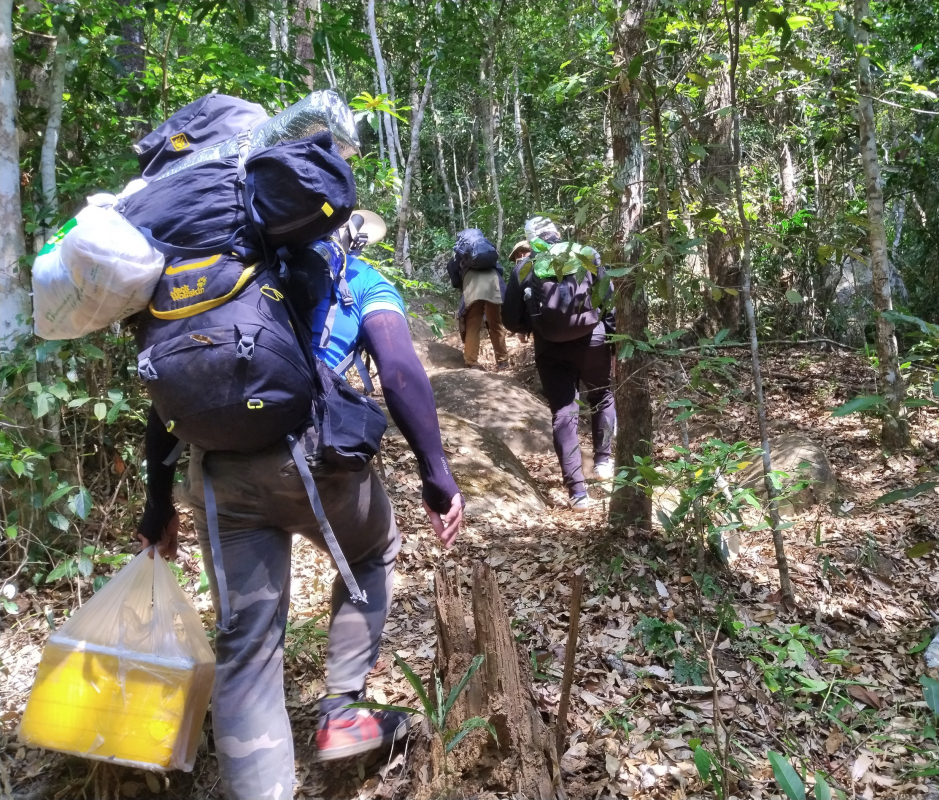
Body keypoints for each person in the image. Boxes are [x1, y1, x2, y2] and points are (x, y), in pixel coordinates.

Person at [136, 212, 464, 800]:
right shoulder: (357, 278)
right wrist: (436, 473)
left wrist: (157, 503)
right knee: (373, 549)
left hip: (219, 473)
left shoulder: (219, 283)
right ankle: (341, 709)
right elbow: (399, 370)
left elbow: (167, 396)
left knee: (247, 640)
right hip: (317, 462)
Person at [502, 217, 616, 512]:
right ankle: (603, 463)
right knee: (602, 396)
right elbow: (608, 298)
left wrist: (535, 324)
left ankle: (577, 491)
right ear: (558, 235)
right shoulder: (587, 255)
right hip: (594, 339)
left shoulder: (523, 267)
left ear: (532, 240)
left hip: (551, 347)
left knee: (564, 411)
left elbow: (510, 319)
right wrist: (613, 338)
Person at [446, 228, 509, 370]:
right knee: (496, 323)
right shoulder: (487, 251)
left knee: (473, 324)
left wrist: (460, 284)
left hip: (473, 284)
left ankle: (471, 361)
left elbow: (452, 271)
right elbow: (499, 269)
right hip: (492, 283)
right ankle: (503, 361)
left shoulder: (460, 253)